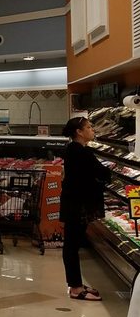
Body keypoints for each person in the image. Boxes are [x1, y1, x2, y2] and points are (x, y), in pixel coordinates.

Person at [59, 116, 111, 300]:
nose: (92, 130)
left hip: (73, 204)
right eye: (88, 127)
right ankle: (76, 288)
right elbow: (102, 173)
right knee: (72, 245)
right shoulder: (81, 152)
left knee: (71, 244)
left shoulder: (73, 149)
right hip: (78, 206)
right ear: (79, 132)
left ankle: (76, 284)